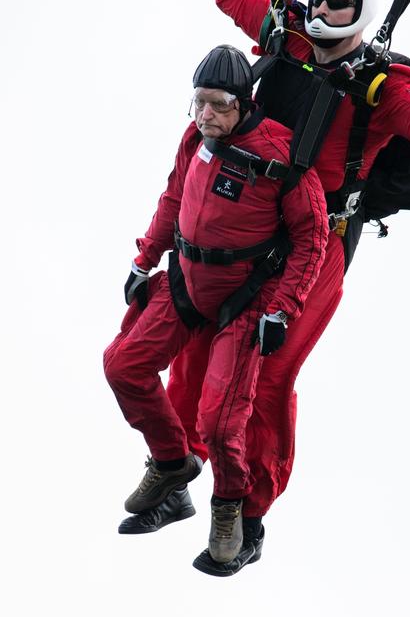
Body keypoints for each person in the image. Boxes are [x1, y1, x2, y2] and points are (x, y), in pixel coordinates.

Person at [161, 0, 410, 556]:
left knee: (269, 369)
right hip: (249, 217)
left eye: (340, 5)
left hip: (319, 238)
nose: (324, 11)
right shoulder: (285, 35)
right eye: (320, 0)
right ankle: (178, 465)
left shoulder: (384, 85)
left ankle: (247, 516)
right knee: (197, 331)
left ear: (361, 14)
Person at [103, 44, 328, 575]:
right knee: (123, 366)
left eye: (217, 104)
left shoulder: (282, 156)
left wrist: (283, 310)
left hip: (245, 300)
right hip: (185, 280)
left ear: (243, 103)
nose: (205, 114)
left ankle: (228, 508)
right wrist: (144, 258)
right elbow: (172, 198)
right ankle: (170, 463)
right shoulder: (195, 140)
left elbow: (313, 237)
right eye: (198, 102)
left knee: (221, 424)